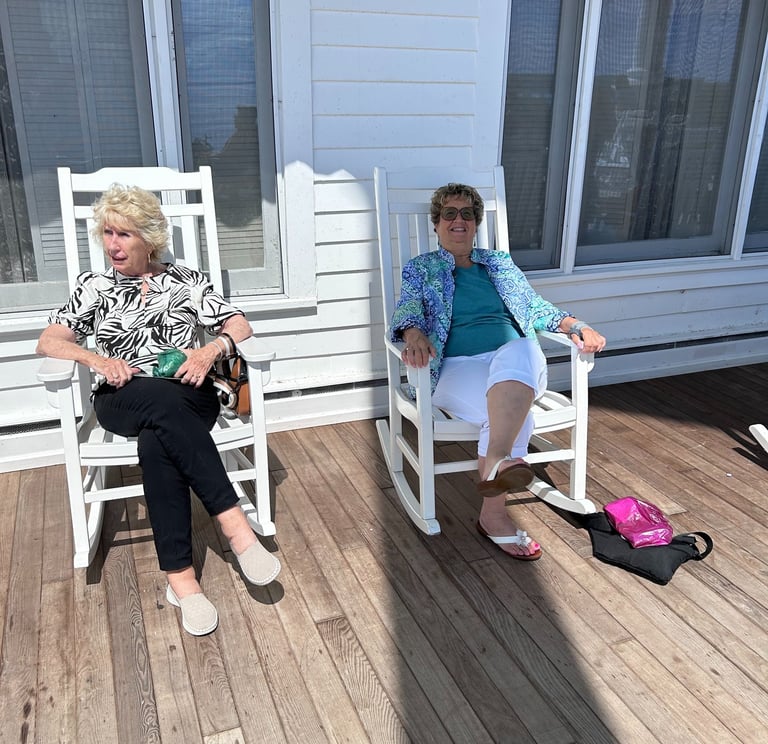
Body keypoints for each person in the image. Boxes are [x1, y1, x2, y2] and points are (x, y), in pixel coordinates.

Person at [37, 183, 280, 635]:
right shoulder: (94, 287)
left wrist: (211, 352)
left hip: (188, 390)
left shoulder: (185, 279)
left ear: (149, 238)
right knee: (160, 406)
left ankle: (181, 580)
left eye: (124, 234)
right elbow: (48, 340)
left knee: (158, 442)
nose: (113, 244)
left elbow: (238, 324)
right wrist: (97, 360)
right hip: (122, 395)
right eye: (108, 233)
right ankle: (236, 530)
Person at [390, 182, 606, 560]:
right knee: (510, 412)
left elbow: (535, 307)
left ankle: (497, 467)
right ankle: (495, 500)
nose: (459, 220)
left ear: (475, 224)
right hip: (456, 368)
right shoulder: (421, 268)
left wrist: (575, 326)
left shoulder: (500, 264)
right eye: (450, 214)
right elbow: (407, 310)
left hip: (514, 361)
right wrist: (414, 333)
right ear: (437, 224)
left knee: (521, 347)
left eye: (468, 214)